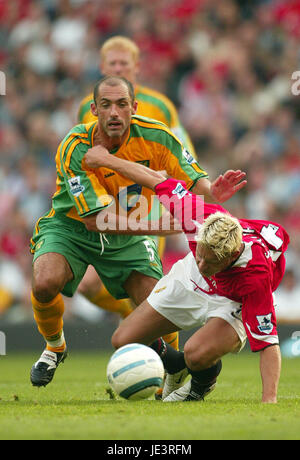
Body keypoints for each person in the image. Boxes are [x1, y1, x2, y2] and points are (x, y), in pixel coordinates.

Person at [30, 75, 245, 387]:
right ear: (94, 109)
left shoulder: (158, 137)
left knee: (157, 305)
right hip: (72, 227)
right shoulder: (75, 146)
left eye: (121, 104)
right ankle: (54, 347)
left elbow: (198, 186)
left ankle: (173, 366)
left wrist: (212, 192)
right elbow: (97, 219)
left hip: (126, 234)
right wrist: (161, 227)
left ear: (134, 107)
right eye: (106, 105)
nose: (114, 112)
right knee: (45, 282)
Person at [83, 145, 289, 404]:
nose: (202, 263)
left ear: (230, 257)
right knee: (123, 339)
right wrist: (107, 160)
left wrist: (268, 401)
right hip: (190, 279)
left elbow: (269, 344)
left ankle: (200, 385)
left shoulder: (254, 276)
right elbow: (155, 178)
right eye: (199, 253)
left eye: (210, 261)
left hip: (233, 300)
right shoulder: (196, 215)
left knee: (196, 353)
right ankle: (176, 365)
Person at [77, 36, 197, 350]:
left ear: (137, 68)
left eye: (124, 64)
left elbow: (181, 153)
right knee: (88, 285)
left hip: (147, 207)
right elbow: (83, 156)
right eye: (112, 64)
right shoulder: (85, 109)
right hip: (107, 206)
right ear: (103, 68)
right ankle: (132, 313)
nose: (118, 68)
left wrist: (178, 195)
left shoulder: (160, 106)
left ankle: (169, 361)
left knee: (148, 288)